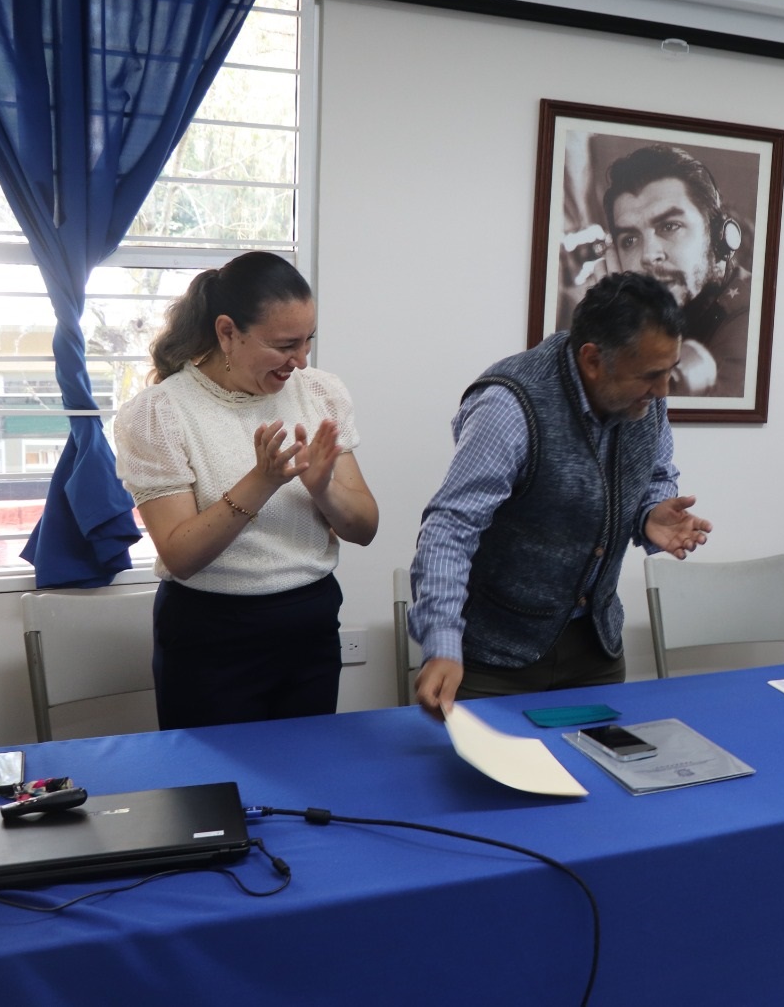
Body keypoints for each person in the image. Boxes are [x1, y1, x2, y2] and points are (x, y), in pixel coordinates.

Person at [408, 271, 712, 719]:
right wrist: (442, 644)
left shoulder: (647, 394)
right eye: (651, 375)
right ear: (592, 359)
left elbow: (657, 472)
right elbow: (450, 530)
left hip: (595, 651)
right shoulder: (509, 405)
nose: (664, 389)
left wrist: (650, 510)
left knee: (600, 764)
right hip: (493, 661)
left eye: (670, 371)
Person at [114, 251, 379, 729]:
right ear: (227, 333)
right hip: (211, 637)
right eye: (285, 345)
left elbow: (365, 529)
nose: (301, 361)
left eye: (309, 340)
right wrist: (262, 481)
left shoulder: (321, 393)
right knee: (215, 776)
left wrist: (323, 490)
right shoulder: (160, 413)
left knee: (305, 768)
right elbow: (180, 556)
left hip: (311, 624)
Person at [603, 143, 751, 398]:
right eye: (630, 240)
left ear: (718, 236)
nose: (648, 255)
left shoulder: (749, 320)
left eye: (669, 226)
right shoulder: (659, 318)